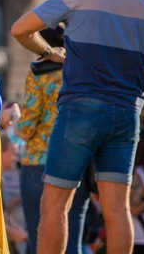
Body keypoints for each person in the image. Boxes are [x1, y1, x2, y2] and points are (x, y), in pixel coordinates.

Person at [11, 0, 144, 254]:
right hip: (125, 114)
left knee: (54, 204)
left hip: (80, 109)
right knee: (117, 209)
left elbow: (20, 30)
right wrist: (127, 70)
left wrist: (50, 52)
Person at [16, 25, 91, 254]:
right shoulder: (83, 72)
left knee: (41, 243)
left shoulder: (39, 73)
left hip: (39, 164)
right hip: (77, 162)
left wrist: (16, 122)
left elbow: (26, 128)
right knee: (73, 242)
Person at [1, 134, 29, 253]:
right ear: (0, 152)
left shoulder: (1, 181)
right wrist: (13, 233)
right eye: (12, 152)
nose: (16, 158)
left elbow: (3, 214)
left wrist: (15, 229)